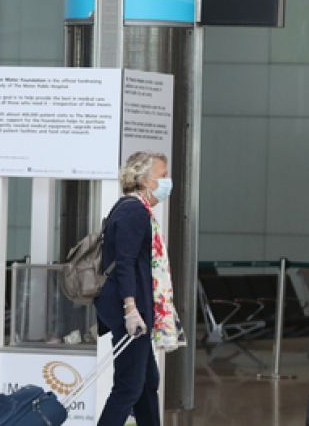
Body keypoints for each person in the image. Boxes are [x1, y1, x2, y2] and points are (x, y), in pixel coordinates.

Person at [96, 151, 185, 426]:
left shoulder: (134, 209)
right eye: (162, 175)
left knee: (147, 383)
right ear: (144, 180)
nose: (167, 181)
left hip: (136, 307)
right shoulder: (133, 211)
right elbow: (124, 263)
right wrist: (131, 309)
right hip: (129, 308)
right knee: (129, 386)